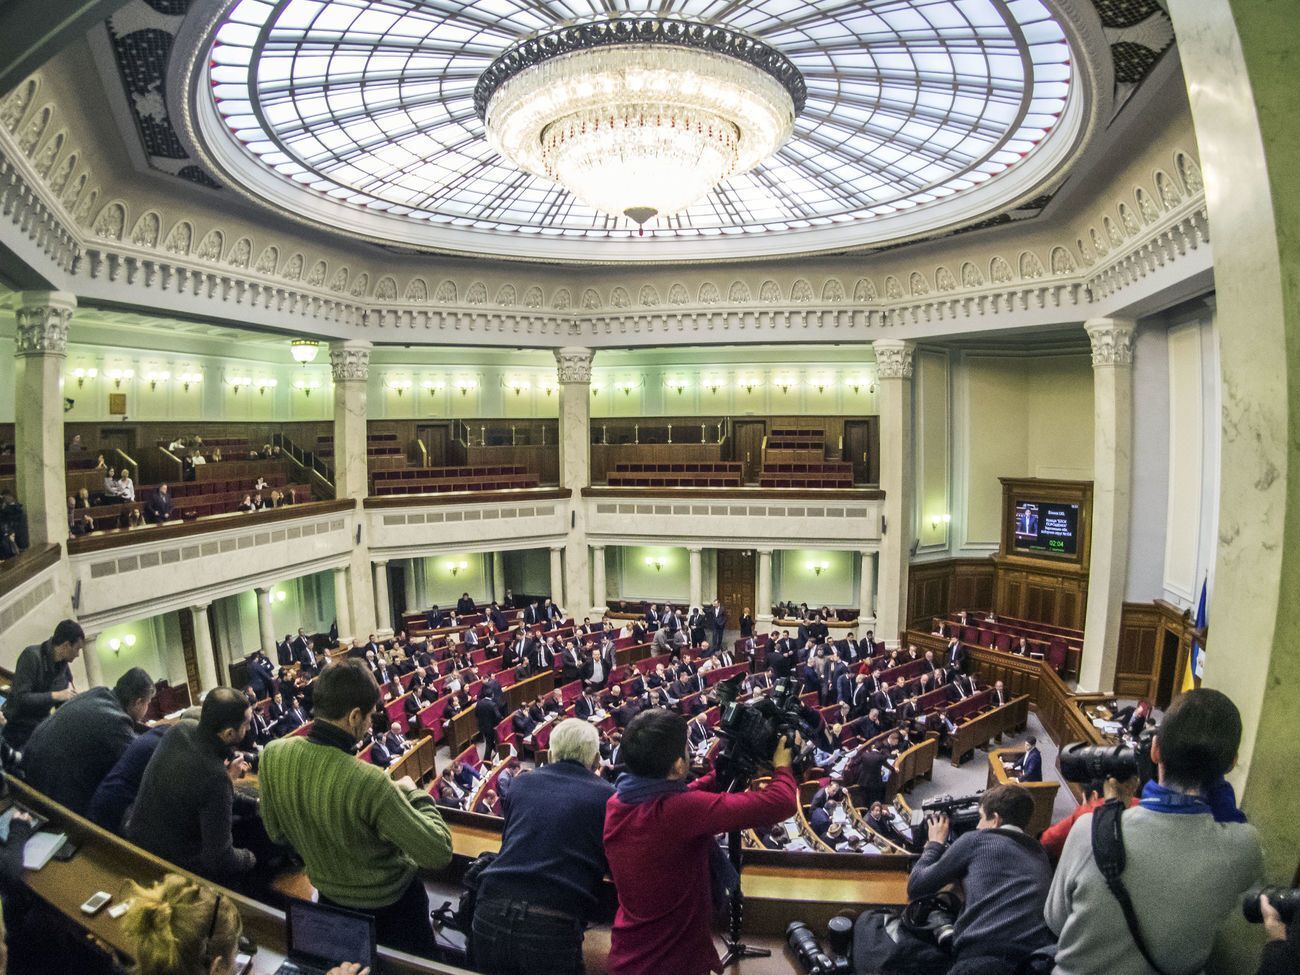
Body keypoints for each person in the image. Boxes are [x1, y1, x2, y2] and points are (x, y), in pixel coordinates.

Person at [1046, 689, 1264, 975]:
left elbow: (1056, 921)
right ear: (1231, 763)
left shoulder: (1090, 830)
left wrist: (1113, 813)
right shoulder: (1243, 847)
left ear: (1156, 749)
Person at [259, 659, 452, 958]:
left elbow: (277, 833)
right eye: (371, 715)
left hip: (330, 906)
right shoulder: (368, 782)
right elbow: (438, 852)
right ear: (353, 716)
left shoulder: (274, 756)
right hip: (394, 915)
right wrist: (414, 795)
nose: (372, 722)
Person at [603, 708, 797, 975]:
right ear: (679, 766)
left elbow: (685, 796)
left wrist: (720, 776)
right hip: (667, 962)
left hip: (632, 951)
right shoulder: (679, 812)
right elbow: (781, 802)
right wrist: (782, 765)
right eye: (686, 748)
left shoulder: (620, 801)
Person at [472, 719, 614, 975]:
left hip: (488, 910)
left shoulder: (521, 783)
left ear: (550, 753)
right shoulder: (607, 797)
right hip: (552, 922)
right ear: (595, 758)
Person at [907, 784, 1055, 973]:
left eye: (981, 818)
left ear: (995, 819)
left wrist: (934, 844)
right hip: (1034, 964)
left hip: (981, 959)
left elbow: (917, 885)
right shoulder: (1040, 853)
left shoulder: (976, 840)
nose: (977, 826)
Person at [125, 688, 257, 885]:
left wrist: (255, 803)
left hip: (137, 839)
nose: (247, 729)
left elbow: (210, 794)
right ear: (229, 733)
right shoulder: (215, 776)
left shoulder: (180, 729)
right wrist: (251, 858)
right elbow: (220, 859)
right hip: (168, 869)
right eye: (246, 725)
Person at [22, 667, 155, 817]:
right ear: (138, 702)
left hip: (30, 771)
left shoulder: (98, 693)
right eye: (148, 703)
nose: (147, 708)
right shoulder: (116, 721)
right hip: (54, 797)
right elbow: (139, 766)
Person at [2, 619, 83, 748]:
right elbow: (20, 698)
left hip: (40, 730)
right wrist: (56, 695)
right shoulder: (31, 656)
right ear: (66, 646)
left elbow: (62, 706)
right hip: (17, 732)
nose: (78, 654)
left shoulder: (64, 668)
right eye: (77, 648)